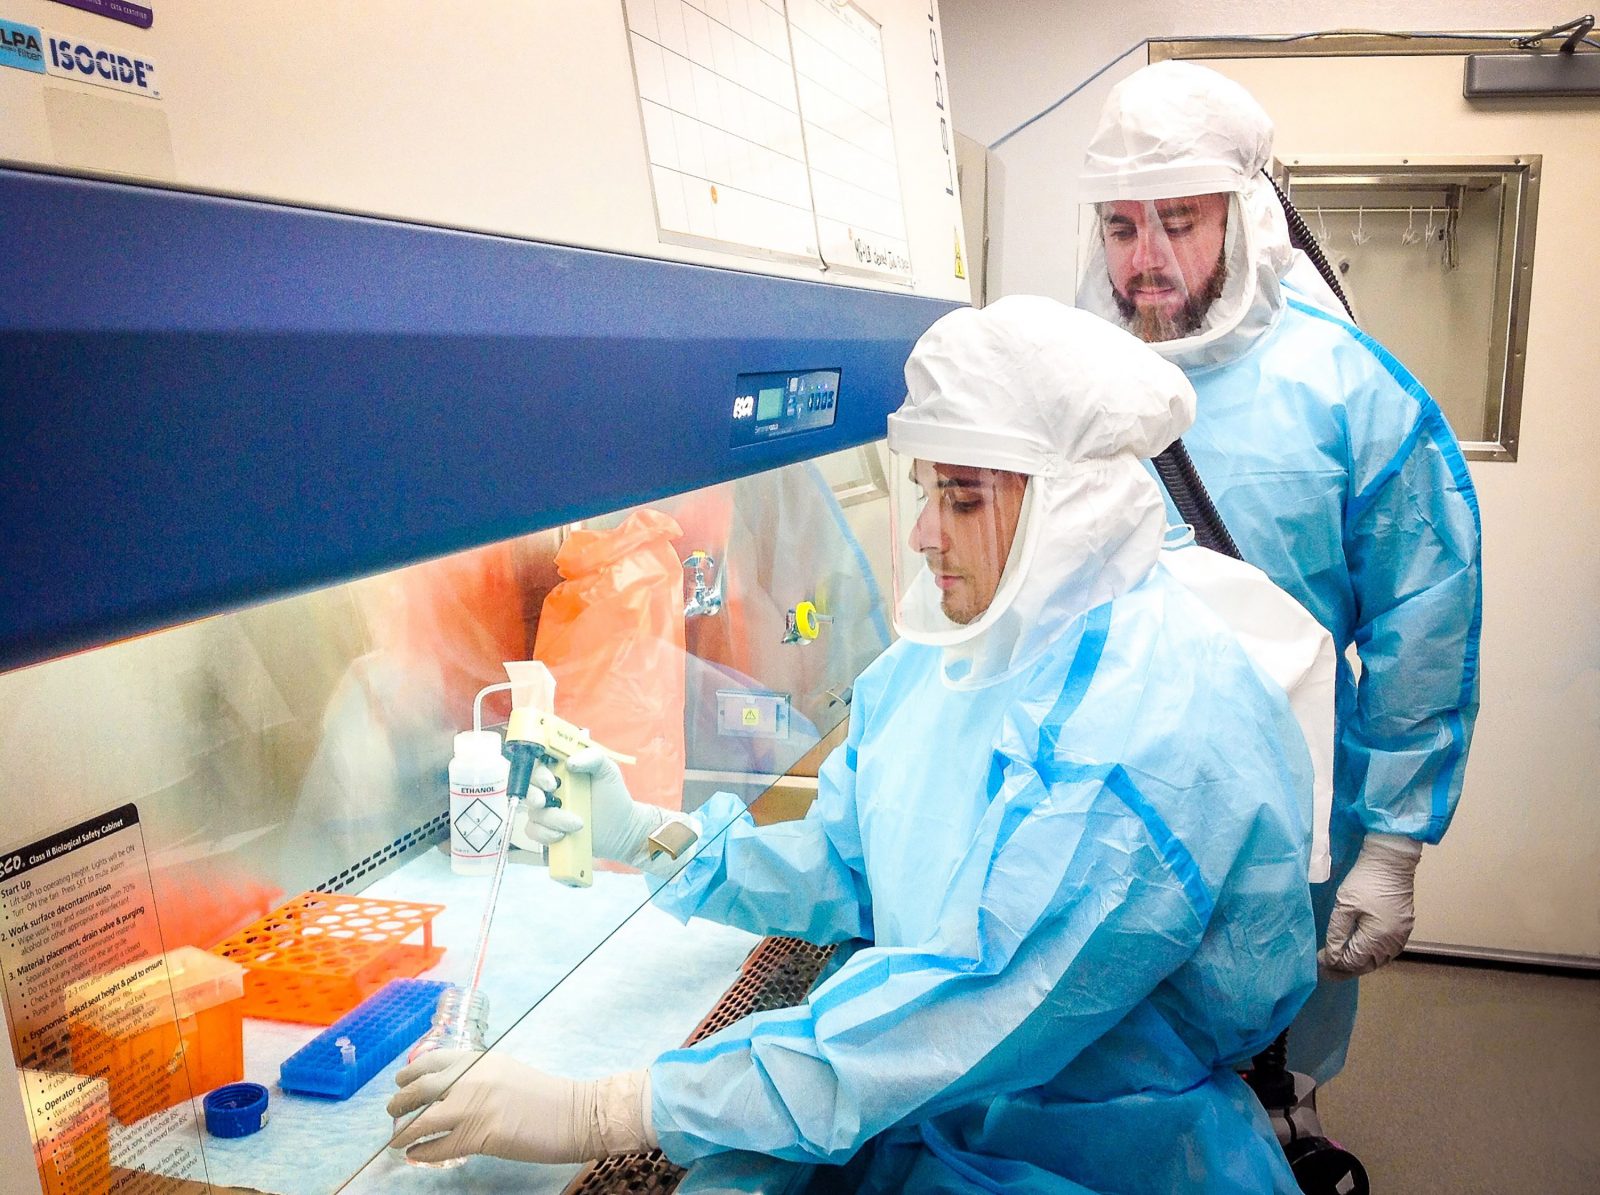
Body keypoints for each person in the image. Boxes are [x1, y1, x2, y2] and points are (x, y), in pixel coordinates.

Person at [389, 296, 1319, 1192]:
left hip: (1105, 1154)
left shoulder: (1146, 726)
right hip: (950, 1128)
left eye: (961, 499)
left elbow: (964, 1000)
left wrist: (606, 1110)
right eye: (925, 491)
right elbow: (850, 860)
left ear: (1068, 504)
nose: (920, 534)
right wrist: (652, 837)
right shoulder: (954, 659)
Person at [1076, 60, 1484, 1085]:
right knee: (1106, 1070)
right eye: (1122, 227)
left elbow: (1423, 620)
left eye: (1179, 218)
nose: (1148, 257)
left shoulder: (1350, 389)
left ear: (1249, 215)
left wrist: (1392, 841)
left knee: (1268, 1063)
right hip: (1099, 798)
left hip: (1287, 801)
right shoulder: (1068, 379)